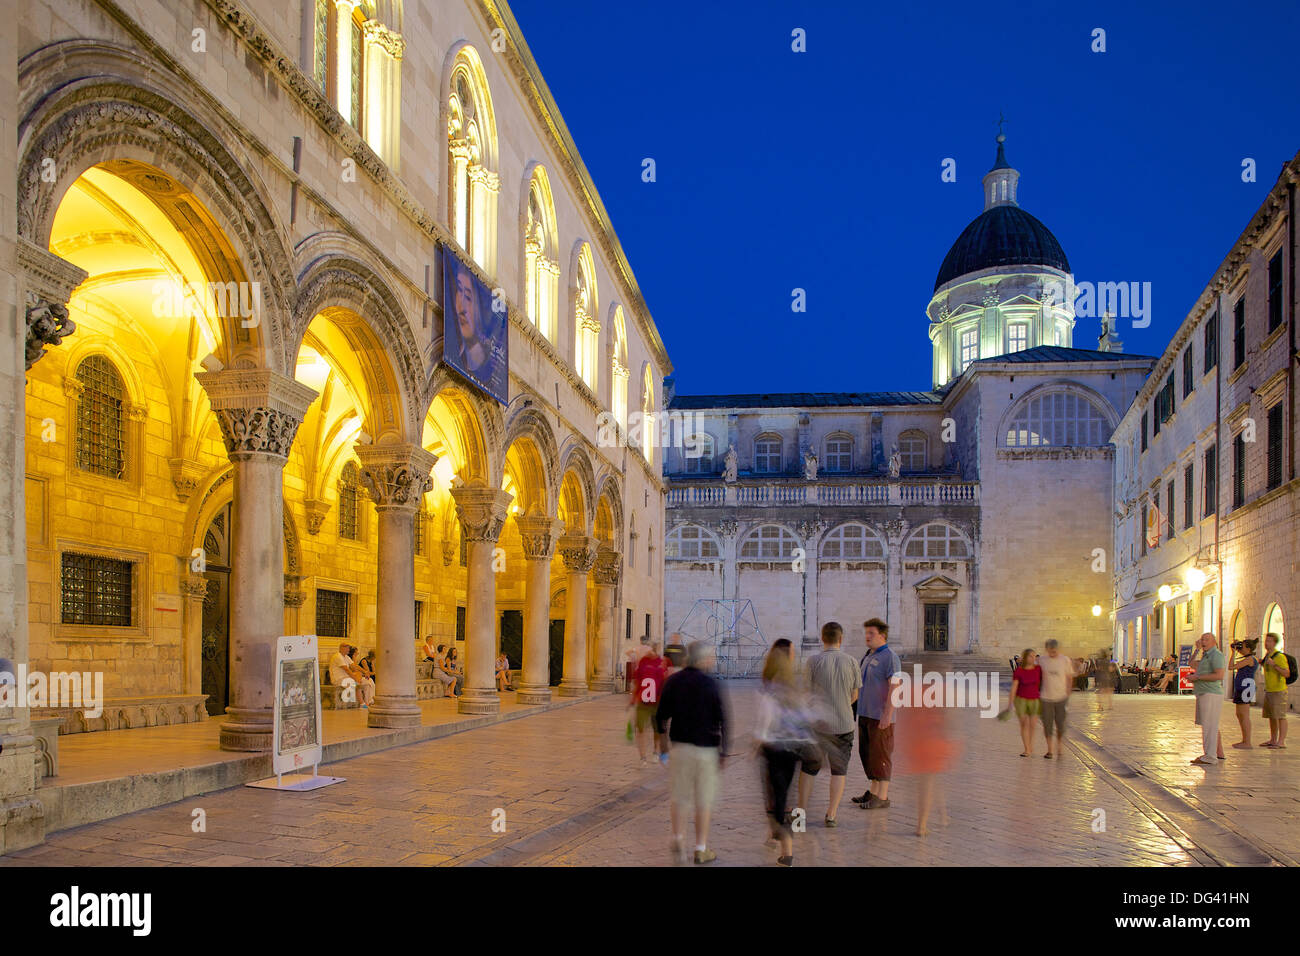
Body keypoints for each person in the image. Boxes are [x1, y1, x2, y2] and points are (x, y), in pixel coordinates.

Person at [654, 640, 729, 864]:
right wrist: (724, 751)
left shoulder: (673, 681)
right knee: (703, 800)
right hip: (706, 750)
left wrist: (663, 746)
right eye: (711, 657)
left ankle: (677, 838)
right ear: (703, 659)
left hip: (680, 748)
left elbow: (659, 716)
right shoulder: (712, 684)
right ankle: (700, 848)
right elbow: (724, 720)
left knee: (679, 796)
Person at [755, 639, 815, 866]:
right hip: (792, 748)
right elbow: (804, 718)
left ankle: (787, 850)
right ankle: (775, 836)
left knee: (776, 798)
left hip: (773, 747)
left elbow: (765, 720)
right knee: (783, 794)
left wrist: (756, 743)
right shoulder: (793, 686)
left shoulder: (769, 688)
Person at [797, 621, 861, 827]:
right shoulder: (852, 662)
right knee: (839, 771)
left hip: (818, 725)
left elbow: (807, 694)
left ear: (822, 638)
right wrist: (841, 703)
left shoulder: (812, 661)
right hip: (843, 724)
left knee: (808, 769)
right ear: (840, 639)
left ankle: (801, 812)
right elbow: (854, 694)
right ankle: (831, 814)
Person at [852, 618, 900, 809]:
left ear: (882, 635)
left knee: (881, 754)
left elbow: (895, 688)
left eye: (871, 633)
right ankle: (873, 791)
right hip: (865, 714)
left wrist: (888, 715)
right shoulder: (868, 656)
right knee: (868, 754)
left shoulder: (890, 657)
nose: (867, 636)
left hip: (880, 716)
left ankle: (883, 796)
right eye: (866, 633)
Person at [1188, 632, 1227, 765]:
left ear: (1214, 642)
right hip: (1203, 692)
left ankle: (1210, 756)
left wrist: (1197, 678)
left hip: (1211, 693)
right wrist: (1197, 649)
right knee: (1206, 724)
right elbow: (1192, 663)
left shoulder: (1216, 655)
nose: (1203, 641)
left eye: (1206, 639)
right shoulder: (1206, 656)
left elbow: (1219, 675)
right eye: (1202, 639)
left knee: (1210, 725)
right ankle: (1209, 754)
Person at [629, 642, 669, 767]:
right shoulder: (643, 662)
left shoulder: (661, 663)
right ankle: (643, 757)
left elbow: (665, 683)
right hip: (643, 702)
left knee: (656, 730)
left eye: (650, 649)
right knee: (640, 729)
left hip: (656, 703)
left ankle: (655, 752)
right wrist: (633, 698)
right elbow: (637, 680)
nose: (648, 651)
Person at [1038, 639, 1074, 759]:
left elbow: (1069, 677)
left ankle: (1059, 744)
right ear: (1047, 650)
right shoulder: (1042, 660)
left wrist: (1068, 692)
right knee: (1047, 724)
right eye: (1050, 650)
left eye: (1054, 650)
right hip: (1045, 697)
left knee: (1060, 723)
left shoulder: (1065, 660)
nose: (1052, 653)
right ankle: (1050, 750)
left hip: (1061, 697)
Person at [1008, 647, 1043, 757]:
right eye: (1030, 656)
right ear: (1025, 657)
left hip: (1035, 700)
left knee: (1032, 725)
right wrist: (1010, 702)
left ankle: (1030, 745)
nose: (1033, 658)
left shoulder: (1038, 669)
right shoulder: (1019, 671)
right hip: (1021, 700)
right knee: (1024, 725)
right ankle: (1026, 749)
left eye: (1034, 656)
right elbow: (1014, 687)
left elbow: (1044, 682)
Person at [1259, 632, 1290, 748]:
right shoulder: (1268, 655)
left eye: (1269, 641)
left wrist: (1274, 665)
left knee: (1280, 716)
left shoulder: (1279, 657)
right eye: (1266, 641)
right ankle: (1273, 739)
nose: (1267, 643)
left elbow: (1286, 673)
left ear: (1274, 642)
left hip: (1279, 690)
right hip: (1269, 690)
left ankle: (1281, 741)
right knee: (1272, 716)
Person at [1228, 638, 1260, 749]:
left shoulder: (1249, 659)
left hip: (1246, 688)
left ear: (1249, 648)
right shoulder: (1247, 658)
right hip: (1243, 687)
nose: (1241, 649)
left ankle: (1247, 742)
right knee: (1240, 714)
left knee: (1244, 715)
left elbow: (1231, 667)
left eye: (1243, 646)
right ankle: (1244, 740)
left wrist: (1233, 652)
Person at [328, 641, 374, 708]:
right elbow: (347, 670)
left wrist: (365, 672)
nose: (348, 649)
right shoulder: (338, 656)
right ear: (341, 648)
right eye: (347, 648)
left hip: (346, 677)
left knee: (367, 682)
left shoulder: (346, 657)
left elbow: (354, 666)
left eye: (348, 648)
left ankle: (368, 702)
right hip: (338, 679)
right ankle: (362, 704)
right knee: (356, 684)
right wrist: (356, 678)